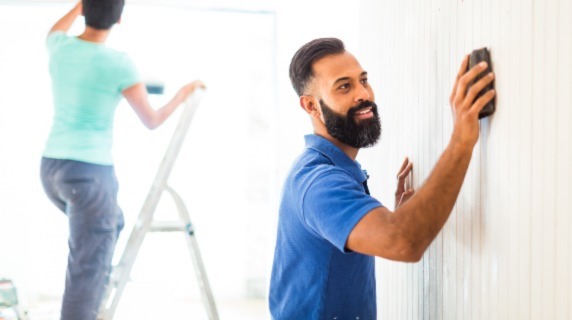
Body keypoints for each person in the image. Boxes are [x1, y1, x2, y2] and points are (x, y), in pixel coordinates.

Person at [269, 38, 496, 319]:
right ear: (312, 107)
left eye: (363, 80)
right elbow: (404, 241)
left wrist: (399, 216)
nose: (363, 94)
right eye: (344, 86)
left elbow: (387, 238)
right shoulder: (319, 182)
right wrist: (462, 139)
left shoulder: (333, 170)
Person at [39, 1, 205, 319]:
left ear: (84, 10)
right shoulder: (119, 64)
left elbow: (55, 30)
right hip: (89, 176)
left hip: (52, 170)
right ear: (119, 19)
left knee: (111, 223)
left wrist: (83, 5)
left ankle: (97, 276)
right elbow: (152, 120)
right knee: (85, 270)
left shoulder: (59, 47)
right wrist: (184, 92)